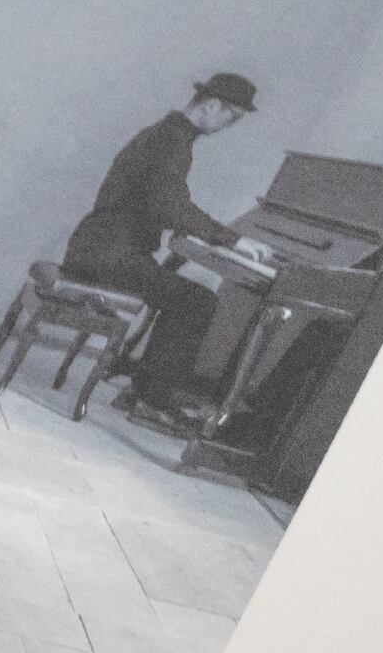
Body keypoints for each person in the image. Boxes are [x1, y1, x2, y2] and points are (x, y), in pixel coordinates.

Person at [60, 73, 261, 432]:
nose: (227, 127)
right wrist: (232, 240)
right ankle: (151, 401)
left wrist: (201, 231)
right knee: (197, 302)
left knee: (181, 295)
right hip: (111, 255)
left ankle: (144, 388)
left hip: (96, 246)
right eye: (231, 118)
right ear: (212, 106)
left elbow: (162, 202)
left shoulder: (166, 134)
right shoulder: (173, 141)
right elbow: (170, 205)